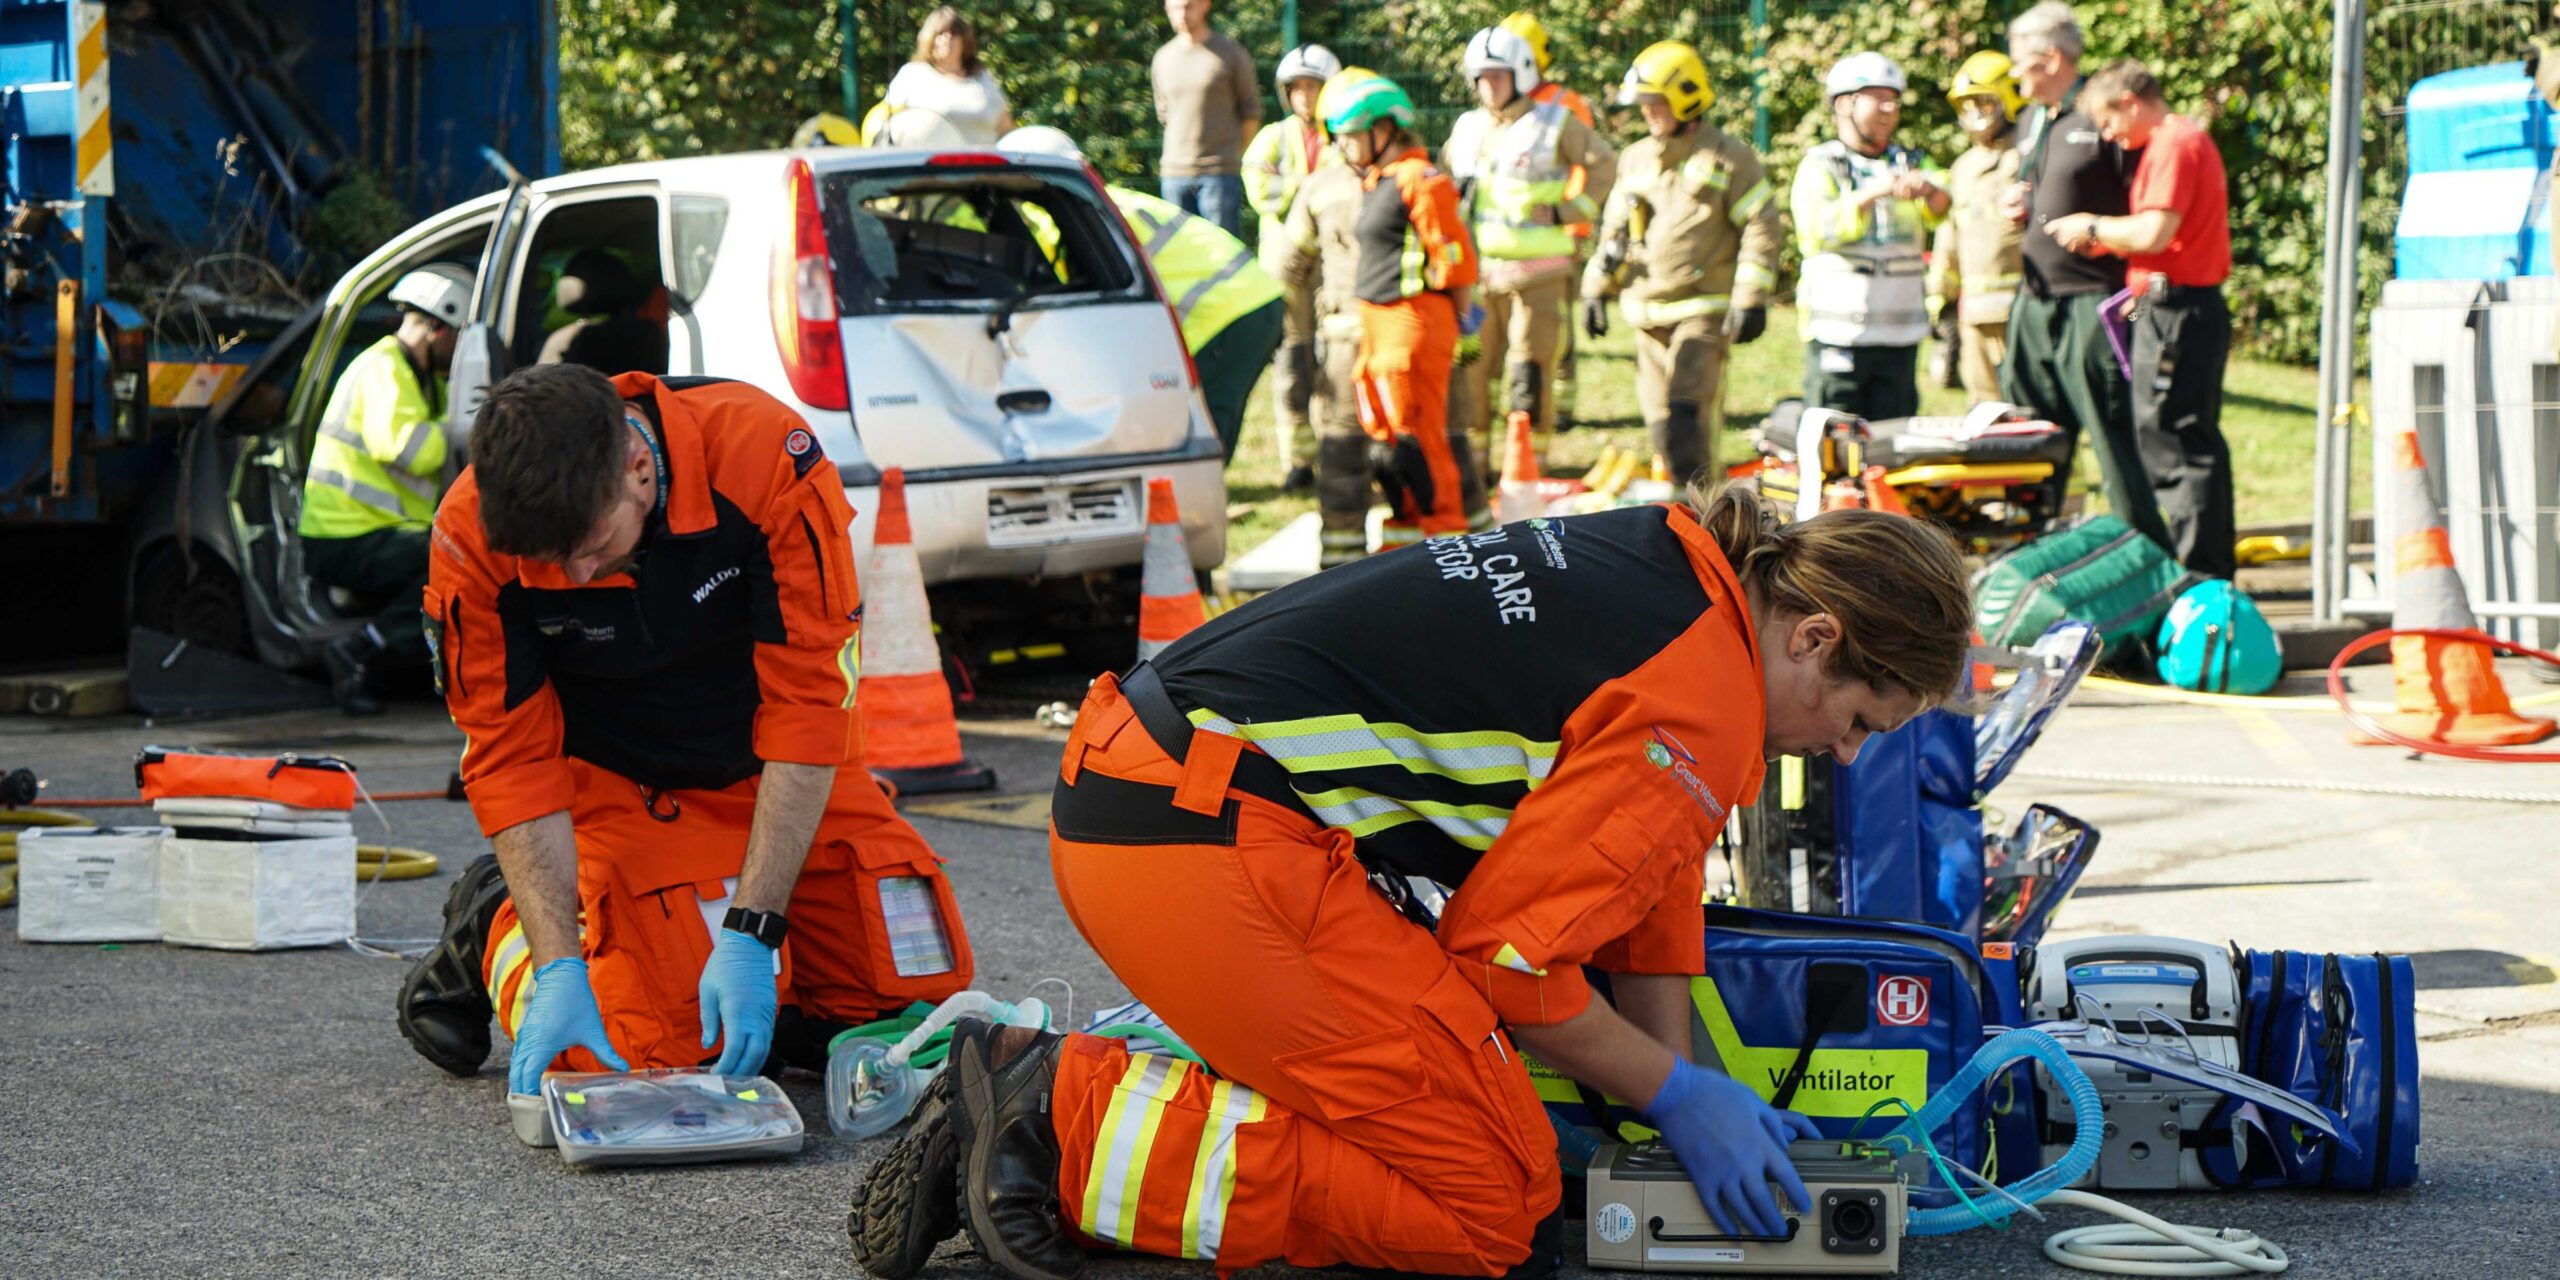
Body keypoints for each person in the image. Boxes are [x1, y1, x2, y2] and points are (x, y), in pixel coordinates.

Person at [851, 485, 1976, 1280]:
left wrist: (1669, 1092)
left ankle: (1081, 1121)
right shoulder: (1702, 703)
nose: (1841, 754)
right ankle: (1058, 1116)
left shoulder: (1675, 573)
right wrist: (1677, 1095)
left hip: (1162, 801)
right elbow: (1506, 961)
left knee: (1455, 1125)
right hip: (1204, 847)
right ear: (1814, 638)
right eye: (1858, 722)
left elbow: (1647, 878)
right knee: (1493, 1202)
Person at [392, 365, 975, 1095]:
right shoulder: (470, 533)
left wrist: (754, 928)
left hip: (770, 765)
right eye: (551, 561)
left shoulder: (766, 459)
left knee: (915, 999)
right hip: (620, 784)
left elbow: (809, 710)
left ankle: (776, 989)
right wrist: (556, 965)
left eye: (590, 543)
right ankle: (499, 919)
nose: (574, 577)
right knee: (638, 1051)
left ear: (641, 470)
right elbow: (511, 760)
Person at [2045, 61, 2236, 579]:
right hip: (2171, 304)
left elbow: (2155, 231)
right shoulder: (2178, 141)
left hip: (2178, 312)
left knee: (2174, 443)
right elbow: (2168, 243)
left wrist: (2092, 226)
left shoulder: (2174, 144)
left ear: (2130, 102)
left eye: (2109, 122)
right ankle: (2203, 573)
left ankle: (2199, 579)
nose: (2109, 135)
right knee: (2180, 438)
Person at [1001, 126, 1286, 465]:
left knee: (1202, 413)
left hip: (1234, 308)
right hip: (1248, 298)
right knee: (1198, 409)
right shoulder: (1105, 205)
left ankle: (1201, 490)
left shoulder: (1081, 220)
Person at [1998, 2, 2172, 550]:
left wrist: (2100, 233)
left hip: (2092, 303)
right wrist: (2024, 203)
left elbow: (2149, 211)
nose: (2013, 77)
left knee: (2112, 439)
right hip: (2033, 300)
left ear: (2051, 58)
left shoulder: (2102, 116)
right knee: (2027, 442)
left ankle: (2149, 562)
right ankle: (2032, 560)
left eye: (2019, 65)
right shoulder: (2031, 119)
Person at [1580, 41, 1780, 487]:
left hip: (1702, 310)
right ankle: (1680, 520)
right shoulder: (1635, 158)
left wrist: (1750, 298)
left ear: (1686, 97)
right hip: (1646, 311)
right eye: (1644, 102)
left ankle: (1709, 519)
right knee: (1661, 426)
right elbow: (1615, 232)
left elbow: (1761, 226)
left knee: (1688, 415)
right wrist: (1595, 288)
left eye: (1656, 101)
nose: (1647, 111)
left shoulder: (1730, 157)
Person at [297, 263, 468, 716]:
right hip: (344, 537)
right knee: (449, 560)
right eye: (458, 337)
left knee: (447, 555)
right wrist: (462, 425)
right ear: (436, 327)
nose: (459, 352)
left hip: (369, 530)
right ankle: (359, 649)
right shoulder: (385, 369)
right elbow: (410, 451)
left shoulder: (414, 376)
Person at [1442, 26, 1616, 465]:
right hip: (1479, 279)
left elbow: (1603, 167)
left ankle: (1527, 473)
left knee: (1528, 375)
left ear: (1519, 74)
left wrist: (1566, 212)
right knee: (1471, 376)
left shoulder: (1553, 122)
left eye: (1497, 75)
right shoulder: (1465, 128)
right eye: (1480, 77)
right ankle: (1475, 474)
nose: (1488, 86)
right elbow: (1442, 183)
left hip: (1539, 275)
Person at [1326, 73, 1480, 549]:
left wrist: (1463, 320)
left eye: (1352, 136)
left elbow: (1453, 256)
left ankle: (1448, 535)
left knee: (1420, 438)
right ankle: (1409, 534)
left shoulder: (1421, 179)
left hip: (1413, 323)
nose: (1345, 147)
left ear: (1386, 130)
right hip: (1377, 324)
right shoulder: (1380, 181)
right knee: (1387, 443)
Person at [1789, 53, 1948, 422]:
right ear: (1845, 103)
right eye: (1877, 98)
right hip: (1839, 334)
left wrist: (1928, 189)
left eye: (1894, 99)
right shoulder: (1820, 165)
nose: (1889, 108)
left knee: (1893, 440)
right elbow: (1817, 230)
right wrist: (1873, 192)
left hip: (1900, 334)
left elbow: (1944, 204)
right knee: (1834, 444)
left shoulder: (1912, 160)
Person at [1277, 68, 1388, 570]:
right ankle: (1340, 569)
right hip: (1344, 343)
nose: (1347, 143)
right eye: (1339, 133)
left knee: (1405, 459)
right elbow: (1290, 264)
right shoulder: (1320, 188)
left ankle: (1411, 563)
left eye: (1356, 132)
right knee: (1341, 456)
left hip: (1399, 344)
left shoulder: (1411, 182)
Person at [1243, 44, 1343, 491]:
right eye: (1297, 88)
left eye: (1314, 87)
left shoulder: (1343, 135)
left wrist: (1299, 191)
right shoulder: (1273, 136)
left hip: (1331, 265)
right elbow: (1258, 187)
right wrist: (1305, 191)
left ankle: (1334, 447)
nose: (1305, 96)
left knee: (1332, 358)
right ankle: (1298, 460)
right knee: (1292, 362)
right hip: (1284, 266)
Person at [1497, 10, 1599, 428]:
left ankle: (1563, 403)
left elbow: (1585, 165)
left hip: (1557, 231)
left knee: (1555, 325)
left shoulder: (1563, 104)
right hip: (1507, 238)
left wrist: (1570, 219)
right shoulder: (1501, 105)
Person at [1929, 51, 2027, 405]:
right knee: (1984, 406)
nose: (1975, 115)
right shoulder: (1963, 167)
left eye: (1984, 103)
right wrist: (1940, 296)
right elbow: (1949, 235)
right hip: (1974, 316)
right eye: (1967, 106)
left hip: (2021, 310)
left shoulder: (2027, 157)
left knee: (2028, 402)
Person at [1151, 0, 1258, 236]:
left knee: (1223, 257)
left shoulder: (1230, 54)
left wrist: (1232, 157)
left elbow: (1251, 113)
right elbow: (1164, 114)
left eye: (1188, 6)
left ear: (1205, 5)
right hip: (1173, 175)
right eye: (1175, 8)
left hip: (1219, 176)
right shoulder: (1162, 58)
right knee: (1178, 253)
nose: (1182, 14)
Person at [883, 7, 1013, 145]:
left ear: (965, 41)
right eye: (940, 33)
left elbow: (1007, 129)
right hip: (927, 164)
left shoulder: (982, 78)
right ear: (929, 39)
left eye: (954, 33)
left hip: (983, 165)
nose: (947, 38)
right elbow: (884, 122)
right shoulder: (912, 74)